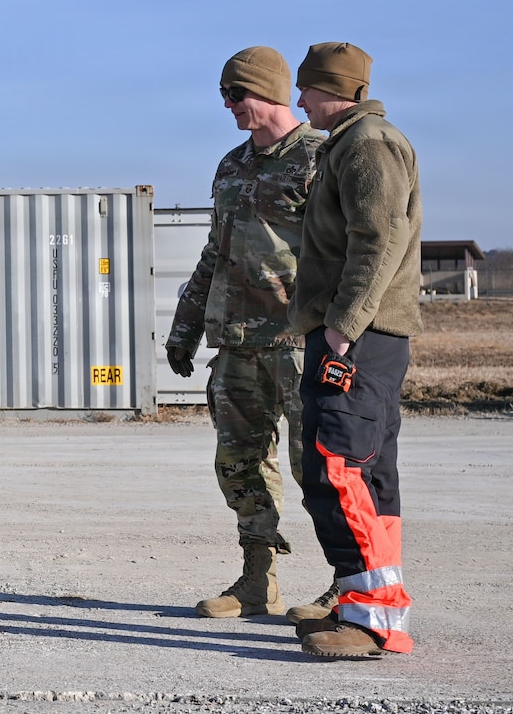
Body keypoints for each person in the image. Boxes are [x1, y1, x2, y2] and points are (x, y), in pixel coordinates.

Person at [166, 46, 333, 622]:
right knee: (240, 465)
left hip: (301, 342)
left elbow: (347, 254)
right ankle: (258, 580)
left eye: (236, 94)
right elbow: (215, 251)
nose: (229, 105)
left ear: (270, 91)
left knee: (321, 468)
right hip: (237, 343)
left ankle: (350, 585)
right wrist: (185, 327)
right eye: (224, 95)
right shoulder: (232, 165)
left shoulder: (320, 157)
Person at [287, 42, 420, 658]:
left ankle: (371, 622)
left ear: (338, 90)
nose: (299, 101)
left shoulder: (368, 144)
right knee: (366, 473)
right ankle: (370, 607)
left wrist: (344, 324)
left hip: (358, 336)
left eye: (308, 89)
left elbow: (380, 238)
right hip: (358, 333)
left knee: (339, 469)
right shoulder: (348, 143)